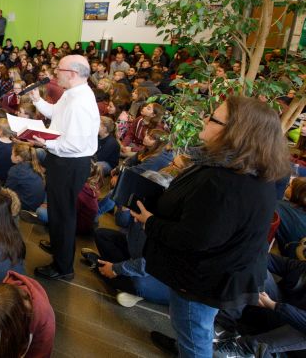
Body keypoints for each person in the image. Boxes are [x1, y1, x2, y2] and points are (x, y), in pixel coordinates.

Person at [135, 97, 292, 357]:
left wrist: (149, 221)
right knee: (192, 327)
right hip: (216, 273)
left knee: (193, 333)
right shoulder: (247, 169)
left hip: (205, 279)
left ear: (233, 132)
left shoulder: (225, 180)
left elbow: (194, 238)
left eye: (213, 118)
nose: (204, 120)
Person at [31, 54, 99, 281]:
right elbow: (56, 115)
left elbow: (74, 144)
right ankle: (60, 246)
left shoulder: (80, 102)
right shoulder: (71, 94)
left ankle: (63, 267)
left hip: (69, 162)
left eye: (58, 69)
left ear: (72, 73)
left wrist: (44, 142)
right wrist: (37, 101)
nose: (54, 73)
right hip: (61, 159)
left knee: (63, 214)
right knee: (57, 210)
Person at [6, 142, 46, 212]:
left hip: (26, 206)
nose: (11, 155)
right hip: (36, 203)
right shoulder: (35, 165)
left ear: (18, 158)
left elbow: (8, 190)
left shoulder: (15, 170)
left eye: (12, 154)